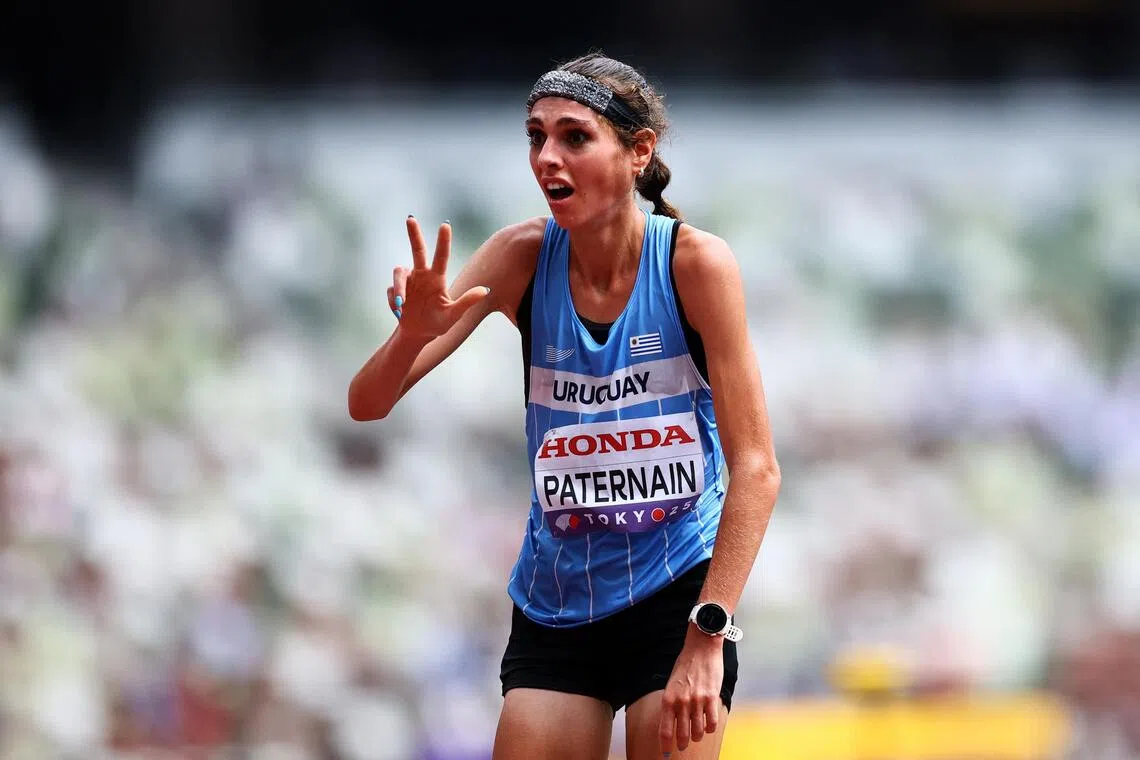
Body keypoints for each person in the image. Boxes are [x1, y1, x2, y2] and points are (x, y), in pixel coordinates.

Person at [348, 52, 781, 760]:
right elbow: (367, 403)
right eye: (535, 136)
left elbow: (757, 469)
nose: (548, 157)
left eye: (574, 137)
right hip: (557, 601)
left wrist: (710, 633)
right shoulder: (520, 256)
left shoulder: (694, 266)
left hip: (677, 596)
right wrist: (409, 338)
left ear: (639, 151)